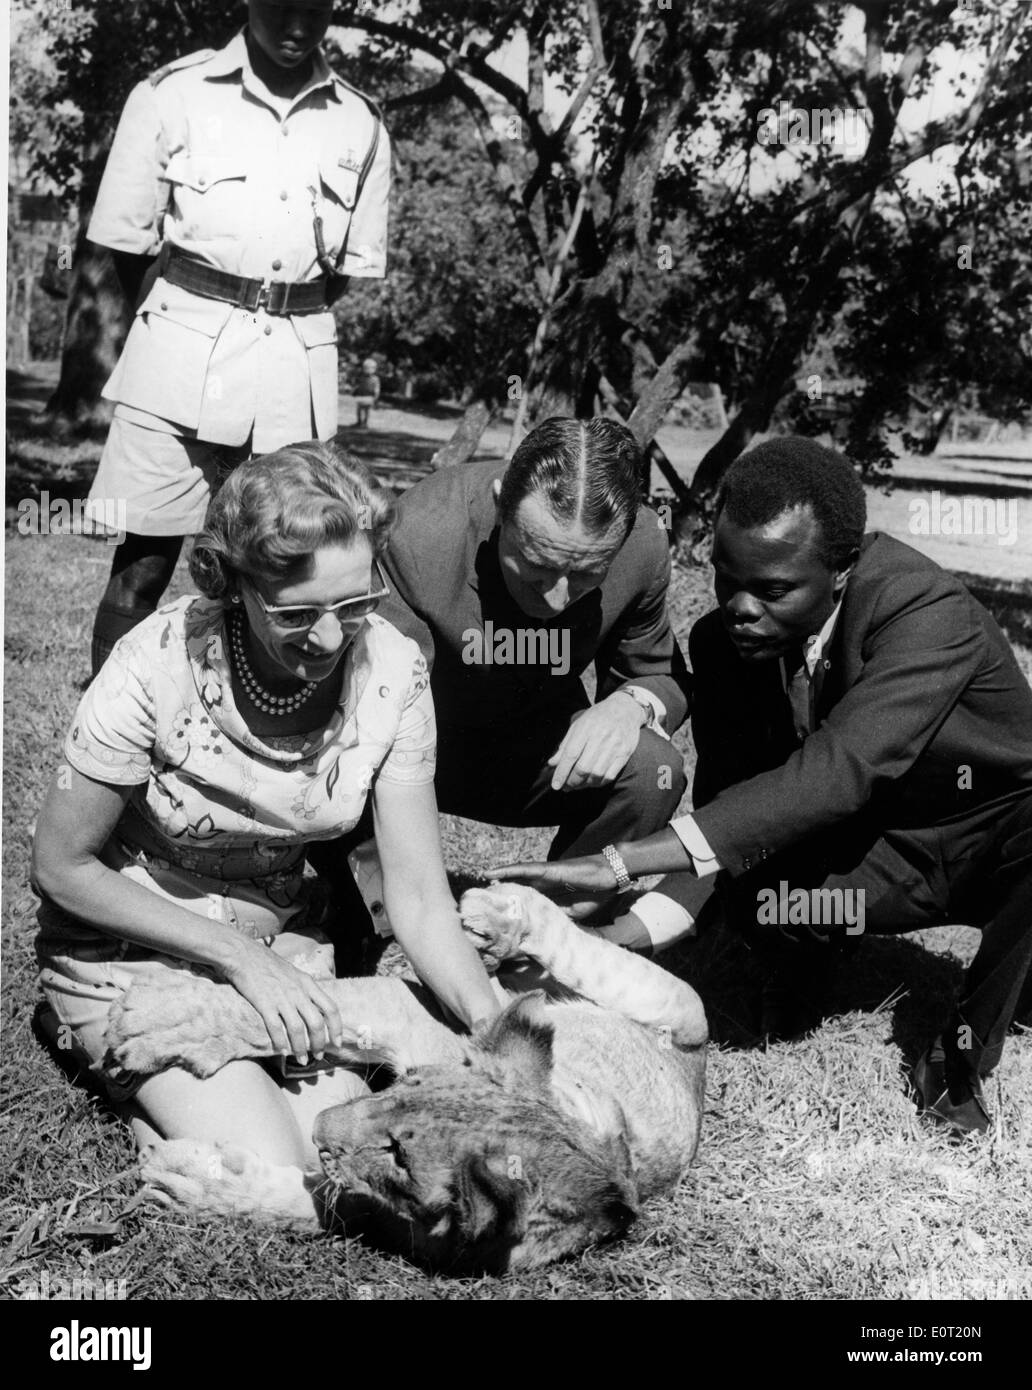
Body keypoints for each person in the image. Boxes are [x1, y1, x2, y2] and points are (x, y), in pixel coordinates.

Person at [492, 436, 1032, 1136]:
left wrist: (623, 860)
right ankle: (803, 967)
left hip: (995, 843)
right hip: (880, 851)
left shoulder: (923, 609)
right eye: (727, 578)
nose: (740, 607)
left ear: (840, 571)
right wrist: (616, 938)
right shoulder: (726, 647)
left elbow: (839, 773)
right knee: (758, 887)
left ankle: (956, 1056)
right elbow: (731, 817)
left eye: (773, 589)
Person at [32, 443, 500, 1170]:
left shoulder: (395, 667)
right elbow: (61, 867)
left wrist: (493, 1025)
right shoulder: (153, 663)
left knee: (341, 1153)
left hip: (281, 949)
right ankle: (119, 1060)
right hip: (132, 944)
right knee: (277, 1171)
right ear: (230, 582)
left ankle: (170, 1104)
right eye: (296, 614)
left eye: (354, 604)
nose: (329, 637)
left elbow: (418, 897)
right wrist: (238, 958)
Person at [84, 0, 391, 675]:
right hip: (176, 358)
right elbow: (129, 249)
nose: (298, 24)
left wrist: (278, 310)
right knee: (144, 560)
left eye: (316, 8)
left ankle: (256, 724)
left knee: (285, 561)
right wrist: (196, 313)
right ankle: (109, 740)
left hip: (293, 372)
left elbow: (342, 274)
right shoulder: (172, 95)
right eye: (282, 5)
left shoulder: (361, 123)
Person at [312, 417, 693, 946]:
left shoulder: (642, 546)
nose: (558, 599)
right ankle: (367, 920)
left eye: (586, 574)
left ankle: (560, 928)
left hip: (535, 754)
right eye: (536, 565)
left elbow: (655, 672)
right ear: (498, 504)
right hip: (406, 747)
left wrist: (628, 706)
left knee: (655, 769)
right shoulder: (418, 534)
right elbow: (370, 712)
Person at [353, 356, 381, 427]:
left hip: (368, 396)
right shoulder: (364, 378)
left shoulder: (374, 379)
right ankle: (361, 422)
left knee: (365, 410)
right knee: (361, 409)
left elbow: (376, 389)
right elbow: (359, 387)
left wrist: (376, 397)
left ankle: (364, 423)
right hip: (364, 396)